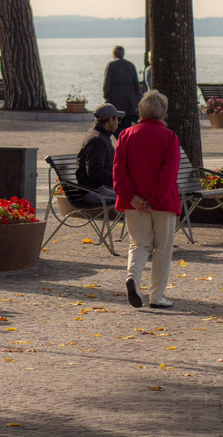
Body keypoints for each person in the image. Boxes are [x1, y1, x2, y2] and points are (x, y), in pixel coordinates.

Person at [113, 89, 181, 309]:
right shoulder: (170, 137)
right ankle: (157, 296)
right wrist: (154, 198)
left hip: (134, 202)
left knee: (139, 244)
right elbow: (169, 172)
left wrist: (132, 197)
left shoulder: (125, 135)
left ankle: (133, 277)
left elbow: (118, 170)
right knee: (162, 248)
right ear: (162, 112)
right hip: (163, 202)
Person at [76, 103, 124, 205]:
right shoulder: (97, 141)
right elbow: (95, 173)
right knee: (132, 196)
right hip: (95, 192)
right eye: (117, 119)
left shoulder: (100, 136)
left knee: (134, 194)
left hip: (99, 189)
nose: (118, 123)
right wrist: (117, 181)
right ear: (110, 120)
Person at [103, 45, 140, 132]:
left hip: (116, 101)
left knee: (117, 127)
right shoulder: (130, 65)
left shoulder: (111, 65)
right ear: (123, 54)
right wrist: (135, 98)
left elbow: (107, 82)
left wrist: (106, 96)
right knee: (127, 125)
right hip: (129, 101)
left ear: (113, 55)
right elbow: (136, 84)